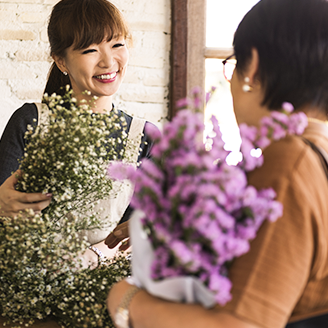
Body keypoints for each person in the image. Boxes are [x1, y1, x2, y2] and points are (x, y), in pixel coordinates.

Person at [106, 0, 328, 327]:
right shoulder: (318, 152)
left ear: (251, 65)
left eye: (233, 64)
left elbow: (241, 323)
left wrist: (126, 299)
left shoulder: (289, 163)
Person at [0, 0, 154, 268]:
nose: (108, 61)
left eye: (117, 45)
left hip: (107, 293)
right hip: (26, 288)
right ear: (61, 61)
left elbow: (133, 235)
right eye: (90, 50)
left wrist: (93, 256)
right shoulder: (30, 122)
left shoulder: (144, 137)